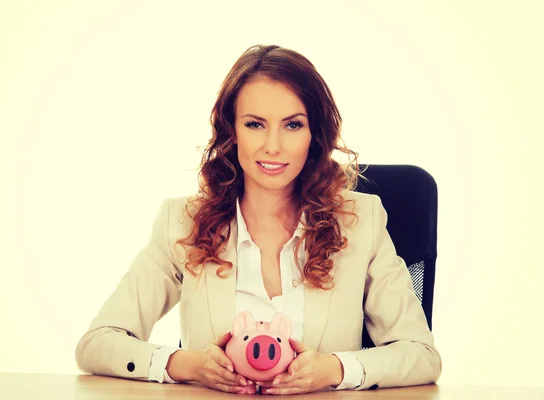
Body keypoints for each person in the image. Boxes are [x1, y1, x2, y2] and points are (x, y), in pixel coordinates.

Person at [75, 44, 442, 395]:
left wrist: (334, 370)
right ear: (231, 131)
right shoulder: (183, 223)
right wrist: (188, 365)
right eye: (254, 124)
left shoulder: (361, 220)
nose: (273, 146)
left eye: (293, 125)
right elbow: (97, 344)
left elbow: (421, 356)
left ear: (315, 135)